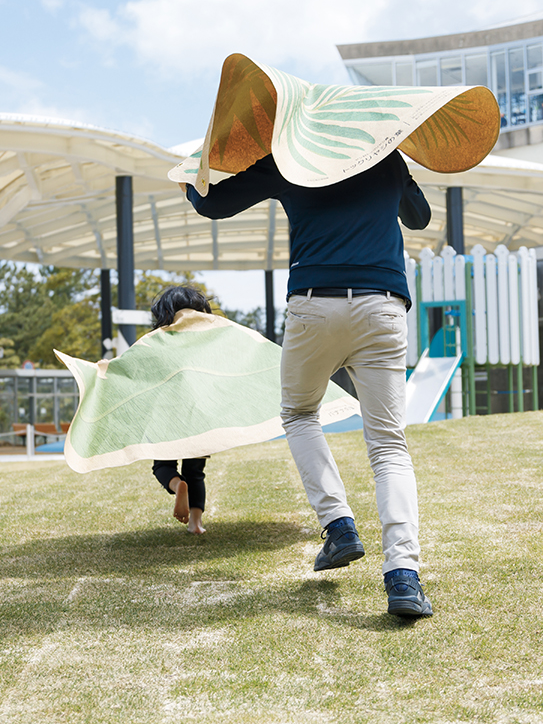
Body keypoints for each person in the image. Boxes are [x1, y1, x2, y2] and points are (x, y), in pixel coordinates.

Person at [183, 149, 434, 617]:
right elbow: (419, 218)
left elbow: (212, 204)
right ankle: (403, 576)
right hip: (383, 305)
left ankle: (339, 527)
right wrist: (402, 174)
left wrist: (186, 178)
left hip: (315, 303)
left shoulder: (291, 154)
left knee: (299, 414)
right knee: (388, 446)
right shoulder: (384, 156)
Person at [150, 285, 213, 535]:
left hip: (166, 414)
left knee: (162, 465)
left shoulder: (157, 341)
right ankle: (195, 523)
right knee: (195, 471)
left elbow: (133, 368)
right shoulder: (205, 343)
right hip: (198, 413)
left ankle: (178, 486)